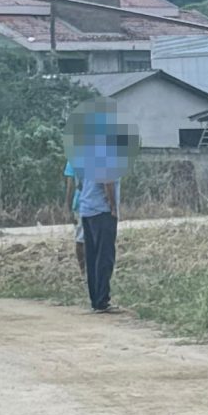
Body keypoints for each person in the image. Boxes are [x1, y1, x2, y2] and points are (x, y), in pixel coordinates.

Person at [74, 111, 127, 313]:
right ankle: (103, 300)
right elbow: (108, 182)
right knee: (105, 257)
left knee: (92, 256)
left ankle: (95, 299)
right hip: (101, 211)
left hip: (87, 210)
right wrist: (113, 207)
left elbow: (80, 183)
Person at [62, 157, 85, 274]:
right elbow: (70, 186)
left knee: (83, 239)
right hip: (81, 202)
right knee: (81, 239)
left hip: (86, 201)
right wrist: (68, 205)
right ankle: (83, 272)